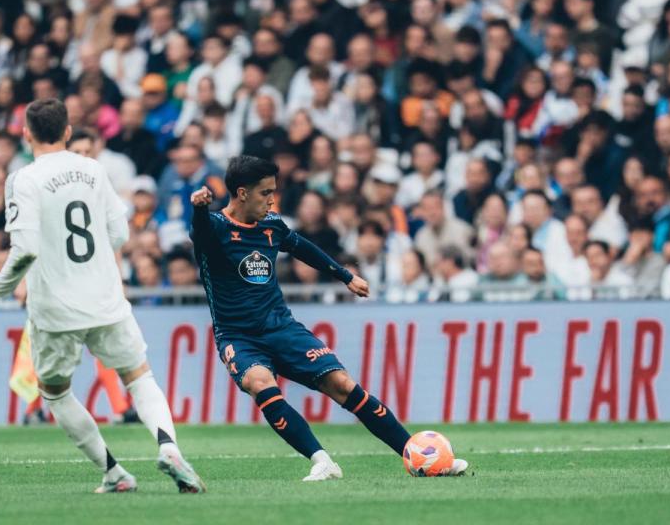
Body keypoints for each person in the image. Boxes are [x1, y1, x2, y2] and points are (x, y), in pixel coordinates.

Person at [0, 98, 204, 494]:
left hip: (55, 309)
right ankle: (168, 446)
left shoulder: (23, 179)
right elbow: (120, 234)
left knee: (55, 393)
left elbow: (25, 251)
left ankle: (114, 472)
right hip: (105, 298)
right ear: (68, 131)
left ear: (26, 134)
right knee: (139, 377)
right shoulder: (93, 169)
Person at [189, 155, 468, 481]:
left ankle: (419, 455)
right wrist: (199, 209)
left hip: (281, 326)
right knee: (260, 382)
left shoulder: (272, 225)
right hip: (238, 336)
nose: (272, 200)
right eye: (265, 193)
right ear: (242, 193)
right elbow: (200, 234)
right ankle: (322, 461)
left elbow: (303, 248)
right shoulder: (215, 227)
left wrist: (345, 276)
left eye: (273, 192)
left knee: (342, 384)